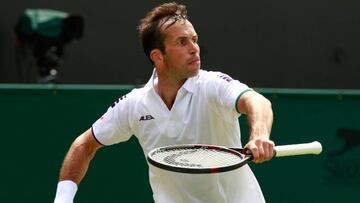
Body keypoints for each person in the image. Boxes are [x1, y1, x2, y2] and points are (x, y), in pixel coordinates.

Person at [54, 2, 275, 203]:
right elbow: (84, 145)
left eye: (194, 40)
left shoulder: (211, 85)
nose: (194, 48)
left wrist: (259, 136)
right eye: (182, 42)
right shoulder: (134, 104)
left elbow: (256, 101)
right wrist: (62, 200)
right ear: (157, 56)